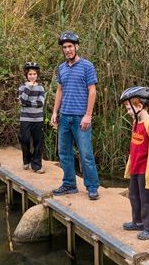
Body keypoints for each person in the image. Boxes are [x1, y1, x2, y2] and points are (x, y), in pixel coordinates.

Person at [50, 31, 101, 200]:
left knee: (86, 154)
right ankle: (69, 184)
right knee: (64, 153)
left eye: (70, 46)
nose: (67, 50)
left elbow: (92, 91)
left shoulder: (87, 66)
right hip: (65, 117)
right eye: (64, 47)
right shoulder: (62, 68)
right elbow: (60, 90)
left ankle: (92, 187)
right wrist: (55, 112)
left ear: (76, 47)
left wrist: (88, 115)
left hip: (81, 118)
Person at [119, 86, 149, 240]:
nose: (128, 112)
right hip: (136, 166)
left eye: (129, 108)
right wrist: (129, 166)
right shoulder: (136, 122)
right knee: (134, 195)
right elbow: (133, 147)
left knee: (147, 198)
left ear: (140, 106)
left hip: (145, 169)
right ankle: (138, 221)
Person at [18, 61, 46, 173]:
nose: (32, 76)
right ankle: (26, 159)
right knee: (24, 139)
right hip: (25, 118)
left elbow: (40, 103)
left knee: (38, 141)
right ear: (26, 75)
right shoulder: (22, 87)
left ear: (37, 75)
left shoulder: (41, 88)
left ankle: (37, 165)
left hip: (38, 118)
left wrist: (29, 103)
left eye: (34, 74)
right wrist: (28, 88)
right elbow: (22, 101)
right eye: (30, 74)